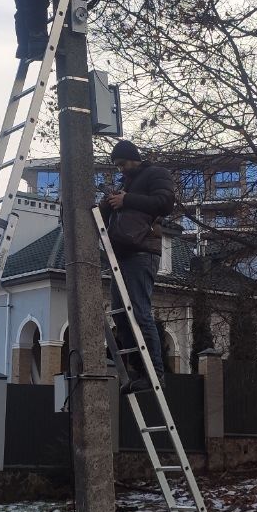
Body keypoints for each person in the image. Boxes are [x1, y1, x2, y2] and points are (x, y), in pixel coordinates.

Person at [99, 140, 176, 393]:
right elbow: (110, 214)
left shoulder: (156, 174)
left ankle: (154, 375)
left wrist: (127, 200)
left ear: (134, 158)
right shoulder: (125, 184)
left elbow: (165, 203)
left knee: (140, 313)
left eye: (122, 164)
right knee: (121, 315)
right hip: (122, 254)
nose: (121, 170)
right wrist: (108, 202)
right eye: (117, 166)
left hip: (142, 252)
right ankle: (138, 371)